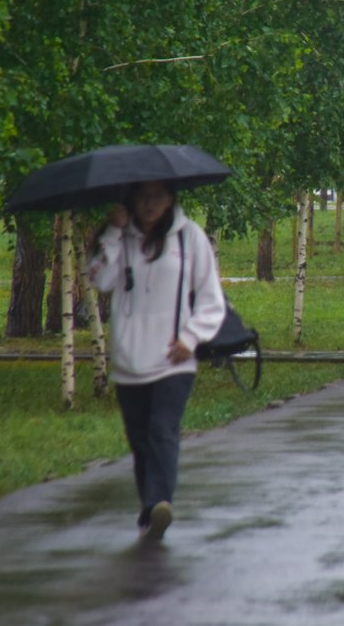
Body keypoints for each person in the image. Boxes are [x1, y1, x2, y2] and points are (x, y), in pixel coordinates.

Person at [87, 180, 226, 541]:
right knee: (139, 440)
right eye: (143, 197)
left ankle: (158, 504)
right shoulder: (121, 237)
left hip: (173, 359)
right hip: (129, 361)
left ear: (170, 200)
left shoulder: (189, 237)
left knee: (162, 430)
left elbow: (211, 299)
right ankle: (149, 509)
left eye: (158, 197)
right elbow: (100, 280)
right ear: (131, 199)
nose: (149, 204)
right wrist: (112, 232)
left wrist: (190, 338)